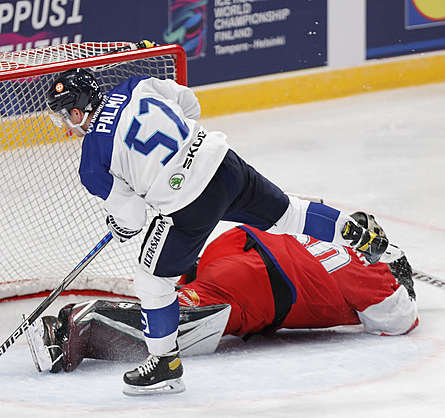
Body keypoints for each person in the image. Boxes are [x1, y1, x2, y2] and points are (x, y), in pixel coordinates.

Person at [45, 68, 396, 395]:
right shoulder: (136, 86)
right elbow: (190, 105)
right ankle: (358, 234)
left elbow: (133, 219)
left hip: (187, 204)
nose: (65, 124)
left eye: (64, 115)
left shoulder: (92, 162)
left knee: (151, 281)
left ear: (77, 114)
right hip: (223, 163)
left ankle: (166, 365)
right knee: (289, 212)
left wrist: (121, 222)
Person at [24, 214, 417, 395]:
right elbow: (400, 320)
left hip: (231, 246)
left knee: (176, 299)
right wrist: (401, 278)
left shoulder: (325, 228)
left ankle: (90, 315)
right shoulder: (372, 274)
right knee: (186, 326)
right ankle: (77, 327)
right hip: (258, 286)